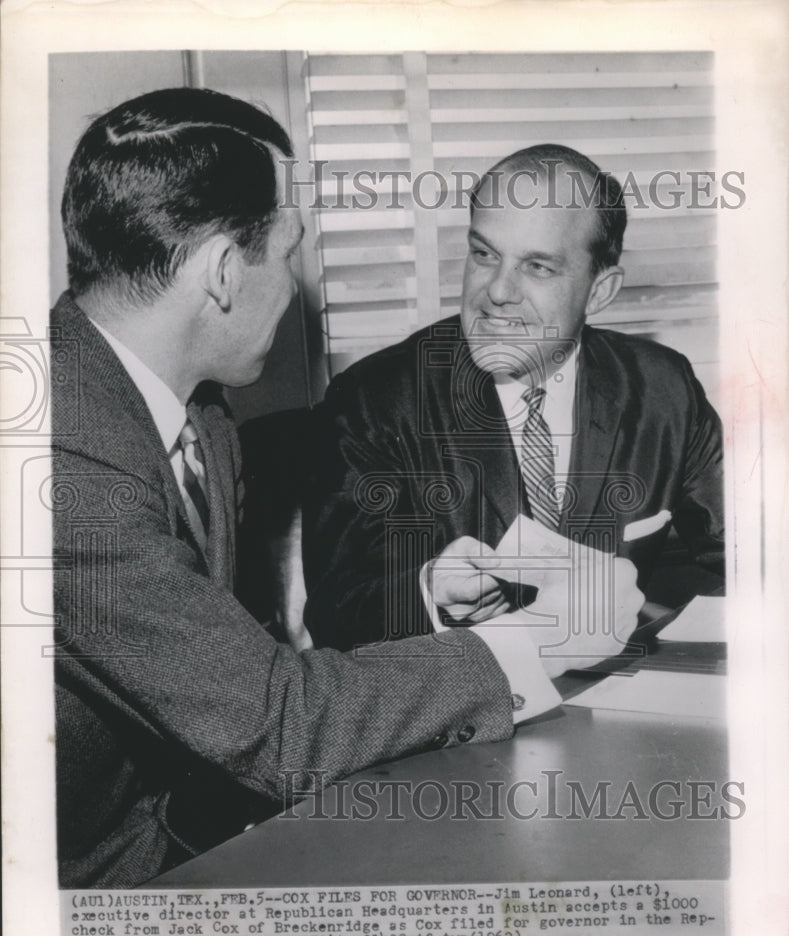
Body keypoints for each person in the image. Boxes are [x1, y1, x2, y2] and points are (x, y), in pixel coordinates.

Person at [51, 92, 643, 889]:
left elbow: (221, 681)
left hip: (197, 825)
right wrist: (535, 641)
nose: (296, 284)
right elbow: (278, 723)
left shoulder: (198, 412)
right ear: (225, 271)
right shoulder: (59, 460)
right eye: (288, 251)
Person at [303, 144, 724, 650]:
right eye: (484, 254)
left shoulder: (663, 388)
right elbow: (335, 611)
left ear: (600, 292)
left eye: (538, 267)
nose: (497, 291)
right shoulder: (376, 400)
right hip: (460, 714)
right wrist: (428, 593)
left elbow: (750, 553)